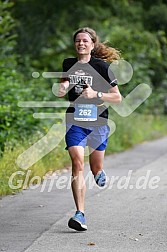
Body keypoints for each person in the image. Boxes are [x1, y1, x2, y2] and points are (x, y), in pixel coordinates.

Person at [58, 27, 122, 231]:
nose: (81, 44)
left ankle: (99, 171)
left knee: (95, 167)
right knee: (77, 163)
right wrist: (62, 87)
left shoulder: (102, 67)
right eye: (78, 40)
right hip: (75, 120)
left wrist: (97, 95)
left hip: (98, 122)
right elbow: (64, 82)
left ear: (92, 44)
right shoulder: (68, 63)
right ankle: (80, 214)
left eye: (85, 40)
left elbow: (118, 97)